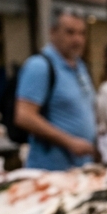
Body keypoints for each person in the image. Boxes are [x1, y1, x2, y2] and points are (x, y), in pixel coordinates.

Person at [14, 10, 97, 171]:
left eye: (82, 33)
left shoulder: (79, 66)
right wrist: (69, 142)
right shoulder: (39, 66)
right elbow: (24, 116)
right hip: (50, 169)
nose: (77, 39)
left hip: (80, 167)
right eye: (70, 32)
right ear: (53, 32)